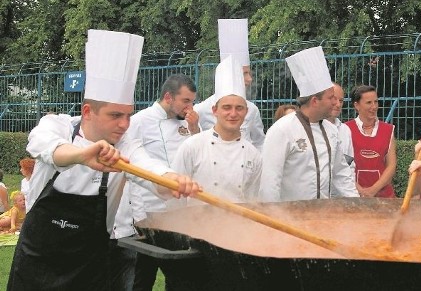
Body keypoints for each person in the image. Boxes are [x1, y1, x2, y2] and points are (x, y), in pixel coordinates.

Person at [7, 29, 202, 291]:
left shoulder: (126, 145)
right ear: (88, 111)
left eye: (128, 115)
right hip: (37, 260)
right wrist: (82, 155)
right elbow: (47, 148)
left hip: (88, 266)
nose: (124, 124)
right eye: (115, 115)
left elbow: (147, 167)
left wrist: (172, 180)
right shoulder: (57, 126)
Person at [113, 73, 200, 290]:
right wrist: (139, 218)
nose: (190, 107)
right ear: (169, 97)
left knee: (178, 274)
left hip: (178, 211)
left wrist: (195, 129)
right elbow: (133, 166)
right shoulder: (139, 121)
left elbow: (198, 153)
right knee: (142, 276)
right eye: (186, 101)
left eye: (192, 101)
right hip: (148, 213)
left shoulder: (187, 122)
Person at [259, 46, 358, 201]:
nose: (336, 102)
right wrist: (273, 217)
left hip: (324, 216)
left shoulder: (331, 131)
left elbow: (341, 174)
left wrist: (357, 204)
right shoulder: (282, 130)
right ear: (314, 101)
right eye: (331, 97)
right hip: (289, 217)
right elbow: (270, 182)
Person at [171, 56, 262, 204]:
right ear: (215, 110)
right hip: (194, 224)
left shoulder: (254, 155)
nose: (233, 114)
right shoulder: (192, 146)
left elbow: (252, 202)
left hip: (237, 224)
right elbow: (174, 196)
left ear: (246, 112)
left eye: (239, 108)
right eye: (226, 107)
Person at [195, 18, 266, 151]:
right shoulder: (202, 109)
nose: (250, 79)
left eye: (239, 108)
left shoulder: (253, 110)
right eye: (244, 73)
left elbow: (259, 143)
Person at [345, 85, 397, 198]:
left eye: (376, 102)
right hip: (354, 195)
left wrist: (373, 190)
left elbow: (391, 165)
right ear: (356, 105)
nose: (374, 106)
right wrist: (359, 190)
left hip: (384, 197)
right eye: (369, 103)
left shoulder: (388, 130)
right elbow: (342, 166)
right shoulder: (345, 129)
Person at [327, 82, 355, 172]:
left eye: (341, 100)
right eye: (334, 99)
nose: (338, 104)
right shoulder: (311, 127)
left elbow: (350, 166)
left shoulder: (345, 130)